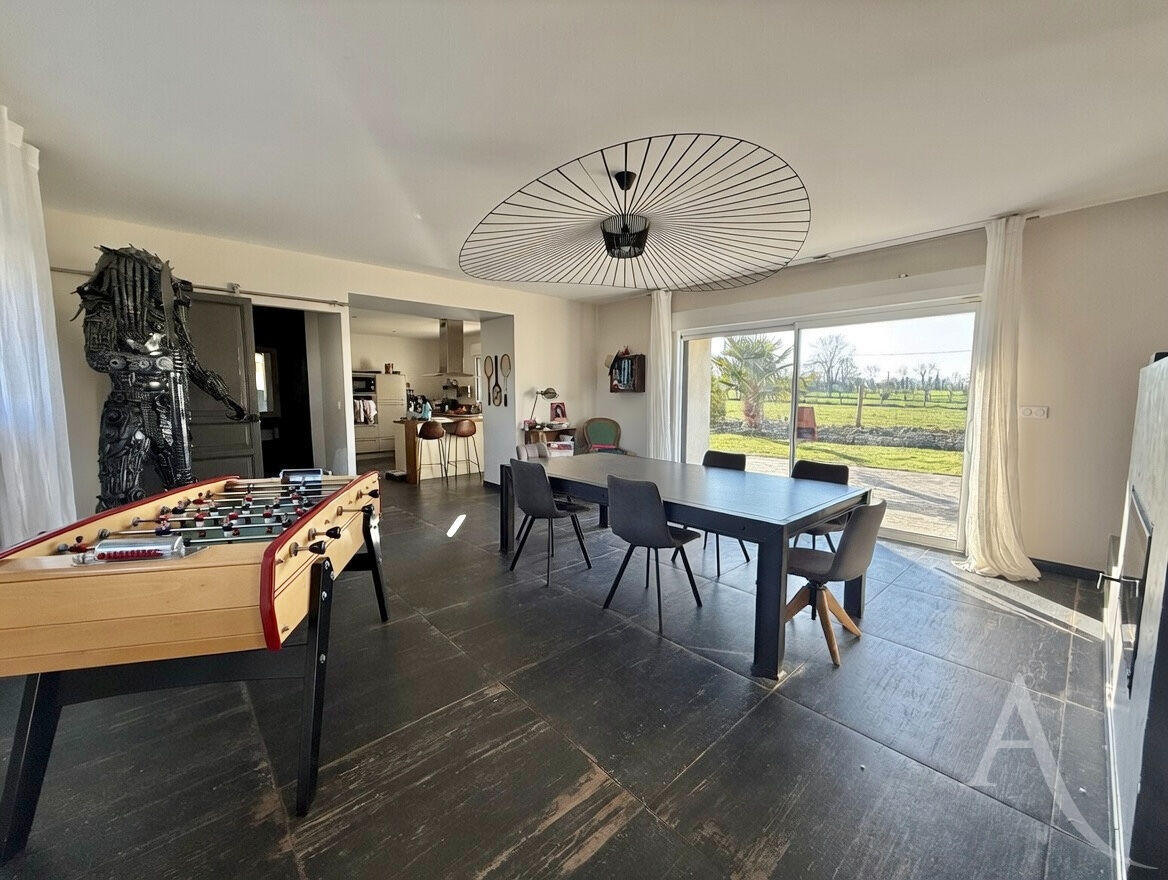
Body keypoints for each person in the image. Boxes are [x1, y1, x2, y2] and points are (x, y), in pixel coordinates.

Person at [75, 245, 257, 510]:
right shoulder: (104, 307)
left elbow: (190, 363)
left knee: (184, 489)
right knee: (119, 494)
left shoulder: (169, 315)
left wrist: (226, 398)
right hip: (128, 408)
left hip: (169, 409)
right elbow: (98, 357)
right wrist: (154, 362)